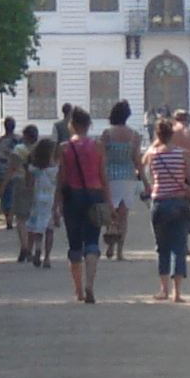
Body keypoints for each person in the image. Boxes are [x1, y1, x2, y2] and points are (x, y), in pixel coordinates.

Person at [144, 118, 190, 304]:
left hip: (159, 202)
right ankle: (177, 293)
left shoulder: (153, 154)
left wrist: (155, 143)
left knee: (161, 248)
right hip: (180, 203)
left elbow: (145, 170)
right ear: (172, 135)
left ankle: (163, 290)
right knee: (179, 247)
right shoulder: (183, 154)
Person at [55, 105, 106, 305]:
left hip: (72, 198)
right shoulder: (98, 146)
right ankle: (90, 285)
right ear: (89, 125)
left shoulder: (64, 148)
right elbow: (103, 176)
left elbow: (62, 178)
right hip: (94, 195)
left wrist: (56, 205)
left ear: (71, 125)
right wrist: (109, 202)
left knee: (75, 244)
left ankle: (78, 290)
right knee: (92, 242)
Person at [98, 100, 144, 260]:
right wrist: (145, 181)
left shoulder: (107, 134)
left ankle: (109, 244)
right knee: (124, 216)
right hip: (127, 177)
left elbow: (102, 158)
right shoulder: (134, 135)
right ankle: (120, 251)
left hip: (109, 176)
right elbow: (137, 160)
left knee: (111, 213)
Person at [21, 137, 59, 269]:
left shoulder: (33, 168)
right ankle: (47, 257)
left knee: (37, 227)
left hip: (38, 200)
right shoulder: (55, 169)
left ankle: (37, 248)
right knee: (49, 230)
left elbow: (29, 185)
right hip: (51, 200)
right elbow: (60, 186)